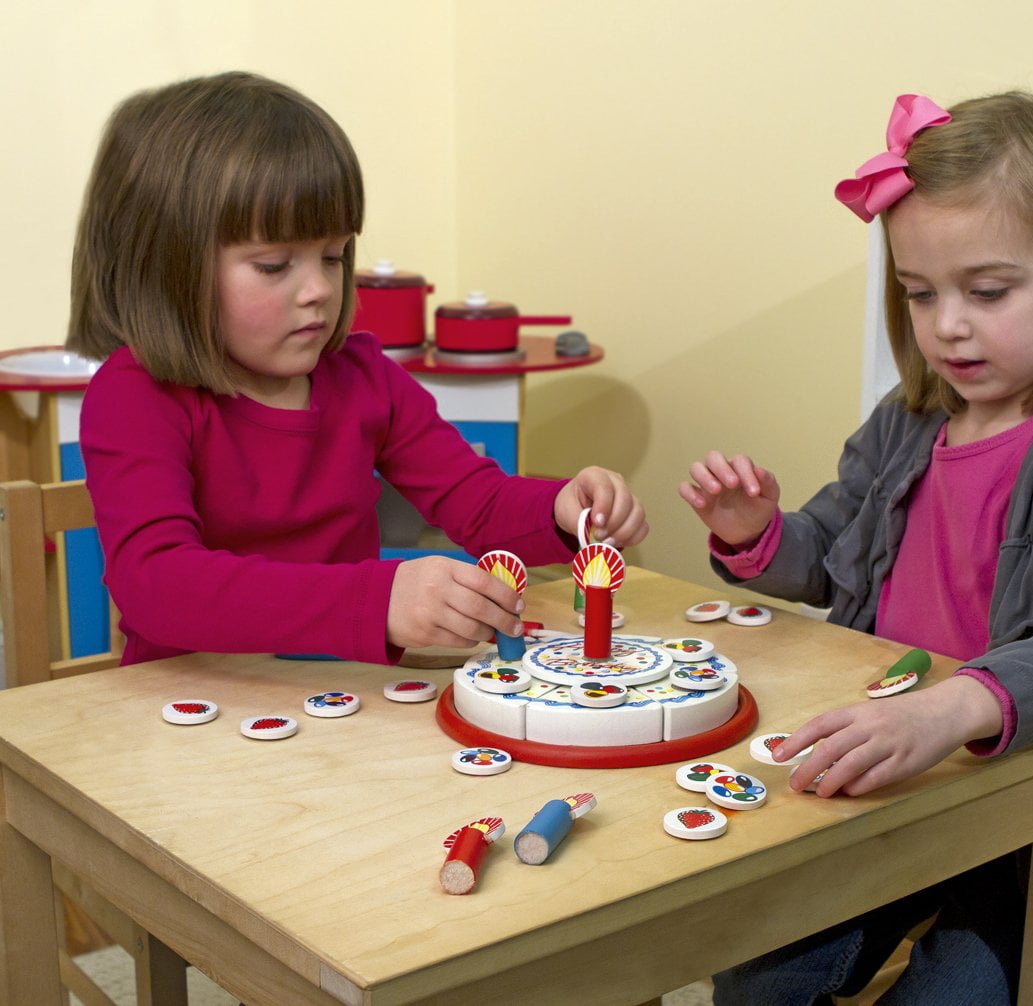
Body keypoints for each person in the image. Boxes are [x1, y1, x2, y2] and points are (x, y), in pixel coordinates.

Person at [680, 91, 1033, 1004]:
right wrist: (757, 534)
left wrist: (955, 709)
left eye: (987, 292)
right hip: (896, 779)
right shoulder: (907, 422)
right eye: (921, 294)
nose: (947, 324)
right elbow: (824, 554)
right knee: (758, 973)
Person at [67, 71, 647, 667]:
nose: (320, 288)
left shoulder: (362, 376)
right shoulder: (136, 395)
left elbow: (476, 502)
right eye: (273, 264)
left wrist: (560, 508)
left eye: (334, 255)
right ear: (167, 267)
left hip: (351, 704)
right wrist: (377, 600)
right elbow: (157, 586)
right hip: (188, 709)